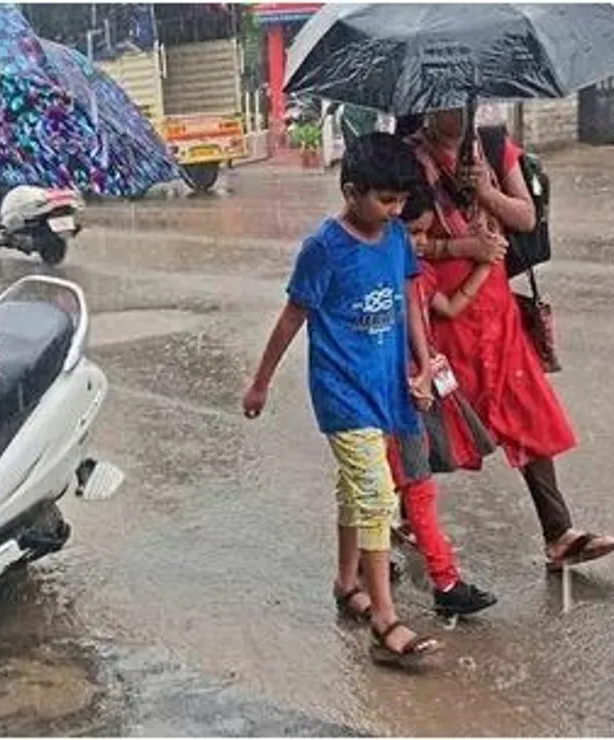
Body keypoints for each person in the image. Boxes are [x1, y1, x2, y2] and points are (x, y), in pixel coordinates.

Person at [242, 132, 441, 666]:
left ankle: (346, 580)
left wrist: (423, 363)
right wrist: (260, 382)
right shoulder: (323, 249)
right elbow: (292, 318)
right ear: (351, 191)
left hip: (387, 384)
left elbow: (410, 301)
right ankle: (384, 617)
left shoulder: (397, 238)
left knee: (355, 490)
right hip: (342, 391)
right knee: (377, 495)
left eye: (400, 201)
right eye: (385, 199)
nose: (395, 210)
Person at [407, 109, 614, 572]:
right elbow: (402, 239)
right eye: (447, 103)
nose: (458, 114)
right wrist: (463, 248)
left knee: (525, 408)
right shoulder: (410, 160)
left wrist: (485, 191)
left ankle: (558, 533)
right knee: (432, 418)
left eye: (463, 102)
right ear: (428, 104)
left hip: (496, 307)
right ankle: (397, 513)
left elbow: (525, 216)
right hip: (443, 310)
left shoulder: (492, 145)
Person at [387, 186, 499, 618]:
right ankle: (432, 579)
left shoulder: (419, 275)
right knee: (396, 490)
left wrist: (485, 267)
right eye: (412, 232)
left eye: (422, 234)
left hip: (417, 392)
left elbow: (448, 309)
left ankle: (441, 578)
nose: (417, 242)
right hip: (394, 395)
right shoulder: (384, 276)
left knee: (413, 489)